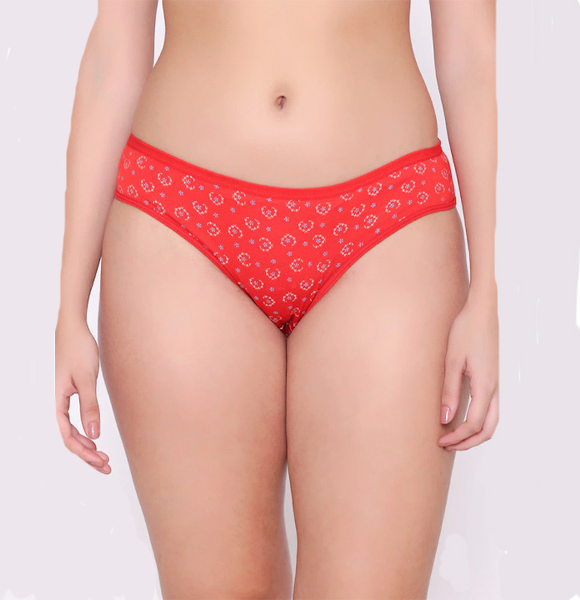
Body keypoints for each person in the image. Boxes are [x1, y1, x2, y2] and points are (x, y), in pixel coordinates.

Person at [54, 0, 499, 597]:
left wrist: (487, 286)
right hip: (180, 220)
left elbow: (470, 49)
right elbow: (113, 54)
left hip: (387, 221)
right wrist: (70, 304)